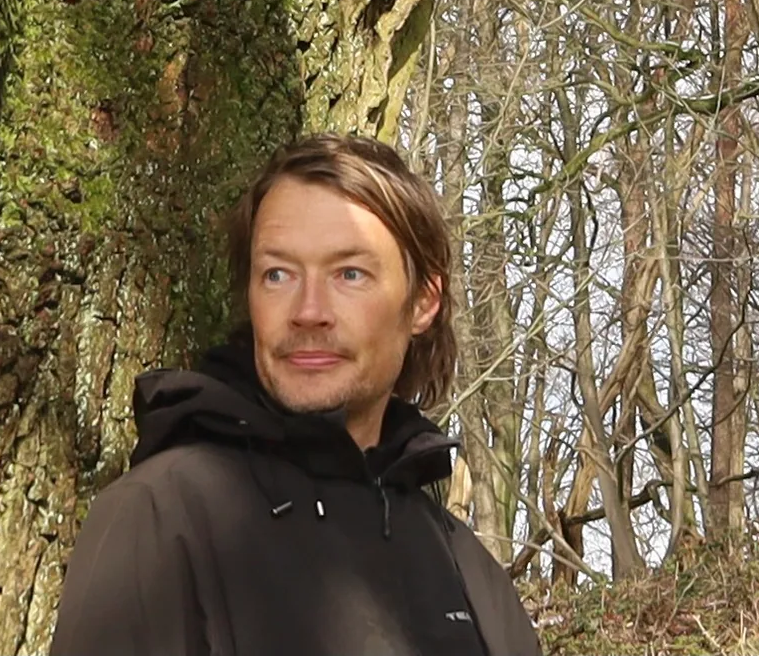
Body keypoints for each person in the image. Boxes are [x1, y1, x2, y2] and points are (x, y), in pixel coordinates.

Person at [47, 135, 543, 656]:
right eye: (278, 274)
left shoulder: (469, 573)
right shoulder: (162, 518)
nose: (308, 311)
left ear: (423, 301)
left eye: (349, 274)